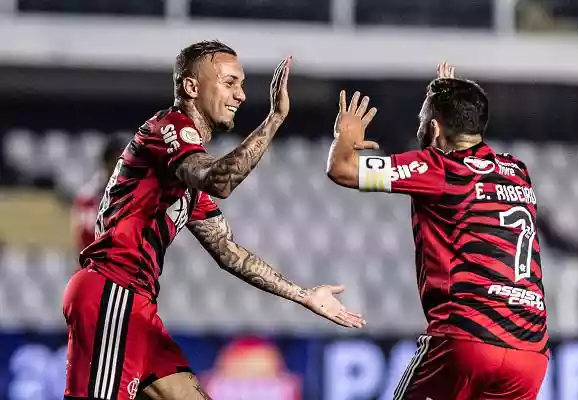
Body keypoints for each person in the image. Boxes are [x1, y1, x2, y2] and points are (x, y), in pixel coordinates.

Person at [63, 40, 365, 400]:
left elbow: (227, 251)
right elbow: (221, 180)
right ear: (191, 87)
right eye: (229, 83)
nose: (240, 95)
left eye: (241, 85)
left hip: (138, 306)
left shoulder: (184, 176)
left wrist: (304, 295)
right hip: (113, 293)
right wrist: (274, 119)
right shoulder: (168, 129)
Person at [326, 63, 548, 400]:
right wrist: (449, 95)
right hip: (529, 354)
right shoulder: (517, 171)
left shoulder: (440, 169)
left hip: (465, 341)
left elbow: (341, 169)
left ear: (433, 128)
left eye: (422, 121)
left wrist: (346, 136)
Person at [71, 135, 126, 254]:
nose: (121, 167)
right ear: (106, 162)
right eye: (116, 161)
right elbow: (86, 240)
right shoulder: (87, 198)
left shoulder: (137, 195)